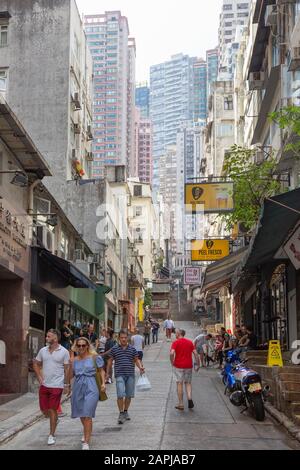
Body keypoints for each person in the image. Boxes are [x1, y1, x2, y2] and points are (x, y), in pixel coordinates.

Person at [33, 329, 70, 446]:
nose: (46, 338)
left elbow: (67, 369)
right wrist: (39, 377)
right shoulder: (43, 350)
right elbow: (36, 363)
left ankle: (51, 435)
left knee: (53, 409)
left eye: (48, 336)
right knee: (45, 411)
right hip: (44, 385)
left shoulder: (64, 351)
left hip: (57, 386)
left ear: (55, 338)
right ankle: (55, 420)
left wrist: (66, 385)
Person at [70, 337, 106, 450]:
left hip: (92, 386)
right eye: (79, 345)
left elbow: (101, 370)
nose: (81, 347)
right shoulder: (74, 360)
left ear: (87, 346)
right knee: (81, 413)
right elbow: (72, 375)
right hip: (78, 387)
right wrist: (67, 387)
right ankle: (87, 430)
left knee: (87, 413)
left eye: (83, 345)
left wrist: (103, 383)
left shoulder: (95, 357)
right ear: (76, 347)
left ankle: (86, 441)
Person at [107, 329, 145, 425]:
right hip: (119, 374)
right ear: (119, 338)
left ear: (127, 338)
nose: (123, 339)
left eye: (125, 337)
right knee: (120, 394)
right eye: (121, 338)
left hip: (130, 375)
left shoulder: (132, 349)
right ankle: (121, 413)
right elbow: (110, 361)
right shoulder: (115, 349)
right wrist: (108, 373)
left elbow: (136, 360)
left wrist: (140, 367)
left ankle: (126, 411)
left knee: (129, 395)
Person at [170, 329, 200, 411]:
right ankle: (189, 399)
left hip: (178, 366)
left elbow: (172, 353)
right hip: (188, 366)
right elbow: (196, 354)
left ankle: (181, 404)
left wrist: (172, 361)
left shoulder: (175, 342)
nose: (175, 334)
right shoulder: (190, 342)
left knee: (179, 383)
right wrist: (198, 364)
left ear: (179, 334)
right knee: (188, 383)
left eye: (176, 333)